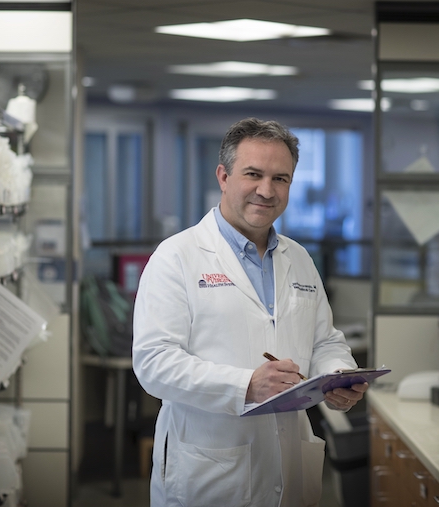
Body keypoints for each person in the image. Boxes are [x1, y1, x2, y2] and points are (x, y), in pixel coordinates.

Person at [132, 117, 368, 506]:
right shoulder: (177, 257)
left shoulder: (300, 258)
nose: (266, 190)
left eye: (281, 179)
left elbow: (324, 340)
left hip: (288, 459)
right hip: (208, 467)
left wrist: (336, 377)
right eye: (253, 174)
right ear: (223, 176)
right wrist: (245, 386)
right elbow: (154, 364)